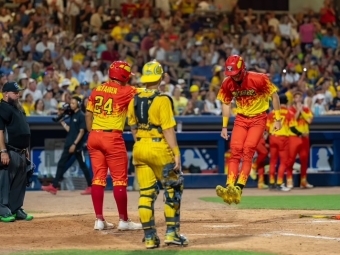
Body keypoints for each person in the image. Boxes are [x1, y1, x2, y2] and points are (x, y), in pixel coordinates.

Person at [127, 60, 188, 249]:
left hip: (140, 148)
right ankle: (172, 233)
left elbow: (132, 126)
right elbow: (168, 129)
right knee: (173, 189)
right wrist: (176, 152)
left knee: (145, 193)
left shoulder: (134, 99)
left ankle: (150, 237)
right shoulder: (163, 99)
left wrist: (141, 142)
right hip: (159, 148)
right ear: (161, 78)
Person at [215, 55, 282, 205]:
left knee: (248, 150)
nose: (234, 77)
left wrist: (278, 119)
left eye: (236, 73)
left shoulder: (259, 79)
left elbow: (275, 96)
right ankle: (229, 187)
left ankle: (239, 188)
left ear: (243, 69)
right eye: (231, 74)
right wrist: (224, 126)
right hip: (241, 118)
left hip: (258, 119)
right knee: (235, 150)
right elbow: (226, 104)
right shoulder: (227, 83)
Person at [85, 61, 142, 231]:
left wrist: (92, 133)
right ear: (123, 76)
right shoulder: (126, 90)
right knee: (119, 180)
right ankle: (124, 220)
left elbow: (88, 114)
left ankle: (99, 220)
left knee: (98, 178)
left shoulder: (97, 89)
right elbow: (149, 93)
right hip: (112, 137)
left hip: (94, 135)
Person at [41, 96, 92, 195]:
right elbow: (71, 130)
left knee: (83, 166)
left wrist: (74, 144)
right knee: (61, 163)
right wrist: (62, 122)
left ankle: (91, 186)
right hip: (69, 144)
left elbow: (82, 132)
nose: (71, 105)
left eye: (73, 103)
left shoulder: (81, 115)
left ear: (78, 104)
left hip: (76, 145)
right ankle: (54, 186)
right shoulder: (73, 115)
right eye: (71, 103)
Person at [0, 81, 33, 222]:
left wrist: (26, 149)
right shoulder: (2, 108)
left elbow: (23, 130)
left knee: (20, 180)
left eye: (19, 92)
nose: (18, 94)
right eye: (15, 92)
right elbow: (0, 131)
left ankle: (16, 208)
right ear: (5, 94)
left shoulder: (18, 108)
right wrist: (2, 151)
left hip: (20, 151)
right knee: (4, 180)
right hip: (9, 150)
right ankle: (2, 209)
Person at [267, 94, 299, 191]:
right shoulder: (289, 113)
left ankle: (271, 183)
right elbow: (293, 128)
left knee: (272, 161)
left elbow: (267, 127)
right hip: (283, 138)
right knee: (283, 162)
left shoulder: (272, 113)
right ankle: (279, 183)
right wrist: (300, 133)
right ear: (287, 101)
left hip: (273, 137)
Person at [287, 91, 314, 188]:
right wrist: (298, 111)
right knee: (291, 159)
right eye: (296, 98)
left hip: (305, 137)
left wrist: (302, 110)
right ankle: (289, 180)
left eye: (300, 97)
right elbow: (293, 120)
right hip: (294, 137)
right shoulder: (290, 110)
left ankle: (303, 181)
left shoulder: (306, 109)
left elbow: (310, 120)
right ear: (294, 99)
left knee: (304, 159)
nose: (298, 99)